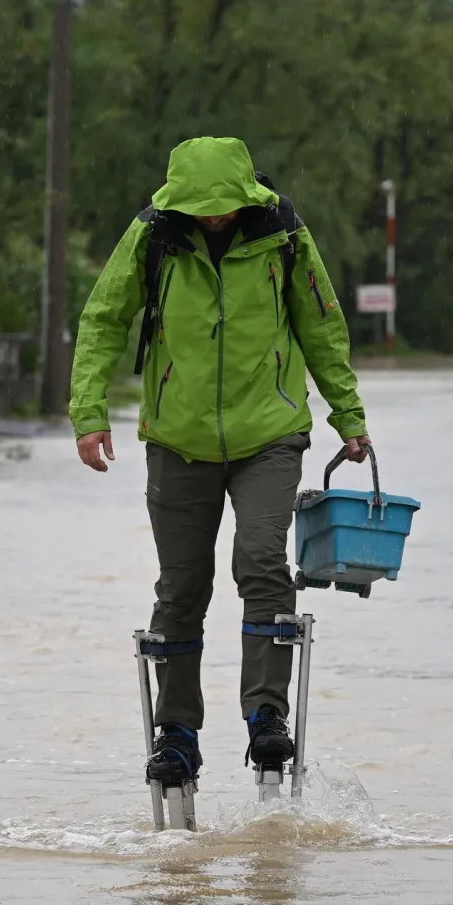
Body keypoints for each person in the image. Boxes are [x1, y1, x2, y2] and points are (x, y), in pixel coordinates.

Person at [70, 136, 369, 785]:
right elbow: (103, 319)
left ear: (244, 197)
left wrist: (349, 416)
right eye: (200, 209)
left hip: (270, 432)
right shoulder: (152, 235)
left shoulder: (282, 235)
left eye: (222, 207)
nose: (212, 218)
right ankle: (177, 731)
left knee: (262, 563)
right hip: (177, 438)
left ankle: (267, 716)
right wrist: (88, 412)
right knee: (182, 589)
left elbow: (322, 325)